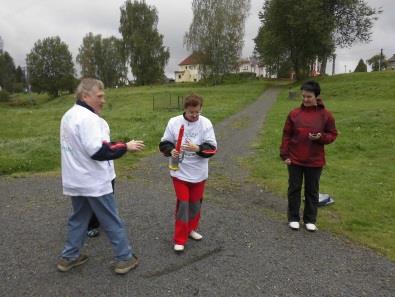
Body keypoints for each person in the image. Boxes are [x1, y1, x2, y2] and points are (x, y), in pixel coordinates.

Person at [58, 78, 144, 274]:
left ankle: (68, 257)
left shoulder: (69, 115)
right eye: (100, 96)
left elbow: (85, 146)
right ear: (85, 95)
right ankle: (125, 258)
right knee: (111, 219)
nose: (103, 100)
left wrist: (116, 144)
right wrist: (126, 146)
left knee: (79, 218)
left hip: (76, 179)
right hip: (93, 181)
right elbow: (98, 150)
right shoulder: (89, 119)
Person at [159, 94, 217, 252]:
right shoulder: (174, 122)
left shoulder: (206, 124)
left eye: (197, 112)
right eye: (191, 112)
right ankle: (179, 238)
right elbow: (164, 143)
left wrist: (198, 148)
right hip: (179, 172)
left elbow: (212, 148)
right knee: (183, 204)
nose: (194, 115)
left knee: (195, 204)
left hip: (199, 172)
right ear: (185, 109)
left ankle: (191, 229)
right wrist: (171, 150)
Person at [280, 80, 337, 232]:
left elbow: (332, 134)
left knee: (312, 190)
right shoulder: (294, 114)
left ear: (316, 96)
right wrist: (284, 154)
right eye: (303, 96)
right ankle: (293, 218)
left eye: (309, 97)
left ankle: (310, 220)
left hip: (315, 160)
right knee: (294, 189)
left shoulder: (326, 115)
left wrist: (320, 138)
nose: (305, 99)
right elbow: (286, 135)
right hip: (294, 158)